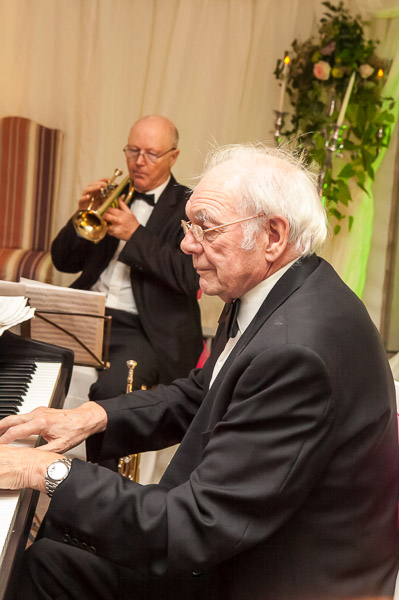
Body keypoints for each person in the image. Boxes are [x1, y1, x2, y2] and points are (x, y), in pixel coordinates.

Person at [0, 143, 398, 600]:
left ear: (272, 234)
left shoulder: (295, 352)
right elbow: (203, 393)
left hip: (276, 575)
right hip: (251, 532)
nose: (187, 243)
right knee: (53, 547)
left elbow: (194, 526)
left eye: (207, 229)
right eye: (190, 225)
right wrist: (90, 417)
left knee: (48, 564)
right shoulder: (275, 286)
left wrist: (47, 471)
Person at [51, 115, 203, 400]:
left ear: (173, 157)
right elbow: (63, 262)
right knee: (19, 352)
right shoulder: (114, 193)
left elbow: (190, 277)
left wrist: (135, 235)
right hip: (88, 313)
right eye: (133, 151)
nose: (139, 161)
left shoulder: (190, 204)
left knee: (111, 394)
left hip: (143, 328)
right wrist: (80, 216)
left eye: (151, 154)